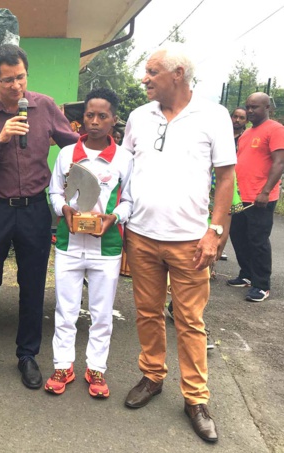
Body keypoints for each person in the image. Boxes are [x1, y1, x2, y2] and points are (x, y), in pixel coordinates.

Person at [121, 44, 235, 443]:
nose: (144, 78)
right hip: (141, 235)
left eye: (152, 72)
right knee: (147, 312)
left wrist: (215, 231)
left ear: (178, 74)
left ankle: (196, 399)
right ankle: (152, 377)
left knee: (190, 321)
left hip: (190, 241)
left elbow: (225, 178)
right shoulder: (139, 116)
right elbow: (126, 169)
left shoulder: (214, 116)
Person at [0, 44, 78, 389]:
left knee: (32, 285)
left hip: (34, 208)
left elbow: (72, 144)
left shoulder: (43, 105)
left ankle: (27, 354)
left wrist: (101, 147)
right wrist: (0, 140)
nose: (16, 86)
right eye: (8, 80)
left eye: (21, 78)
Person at [46, 87, 132, 398]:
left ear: (114, 120)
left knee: (101, 313)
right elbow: (54, 193)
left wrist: (114, 218)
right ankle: (63, 365)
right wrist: (64, 209)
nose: (94, 121)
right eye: (89, 116)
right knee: (65, 311)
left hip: (106, 247)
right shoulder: (67, 154)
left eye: (102, 116)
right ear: (81, 120)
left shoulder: (124, 159)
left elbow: (130, 202)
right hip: (69, 244)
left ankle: (96, 368)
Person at [228, 92, 284, 302]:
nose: (250, 111)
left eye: (255, 107)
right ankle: (246, 274)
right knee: (237, 234)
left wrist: (266, 191)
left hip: (261, 198)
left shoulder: (276, 129)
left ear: (267, 108)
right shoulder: (247, 134)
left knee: (257, 239)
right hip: (240, 197)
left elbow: (279, 162)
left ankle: (261, 285)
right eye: (248, 106)